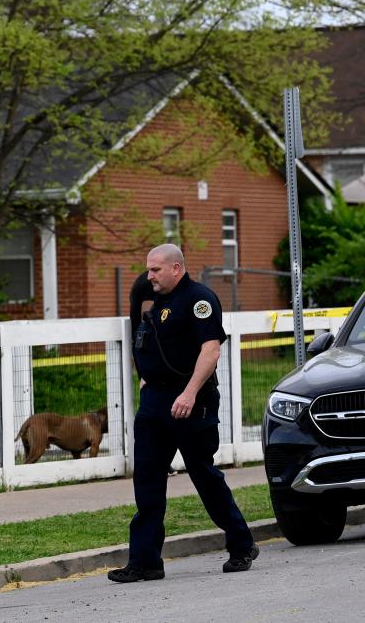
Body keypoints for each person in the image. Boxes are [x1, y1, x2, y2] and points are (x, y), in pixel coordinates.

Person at [108, 244, 258, 583]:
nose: (149, 277)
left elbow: (211, 350)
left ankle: (242, 544)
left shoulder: (199, 299)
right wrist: (146, 378)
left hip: (191, 401)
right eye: (148, 270)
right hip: (155, 404)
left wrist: (189, 393)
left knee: (203, 475)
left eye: (156, 270)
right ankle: (145, 561)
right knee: (147, 480)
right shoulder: (157, 303)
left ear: (176, 268)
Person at [129, 272, 178, 477]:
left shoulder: (146, 281)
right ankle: (159, 463)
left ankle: (161, 462)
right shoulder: (151, 285)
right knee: (158, 415)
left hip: (150, 360)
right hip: (152, 361)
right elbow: (148, 319)